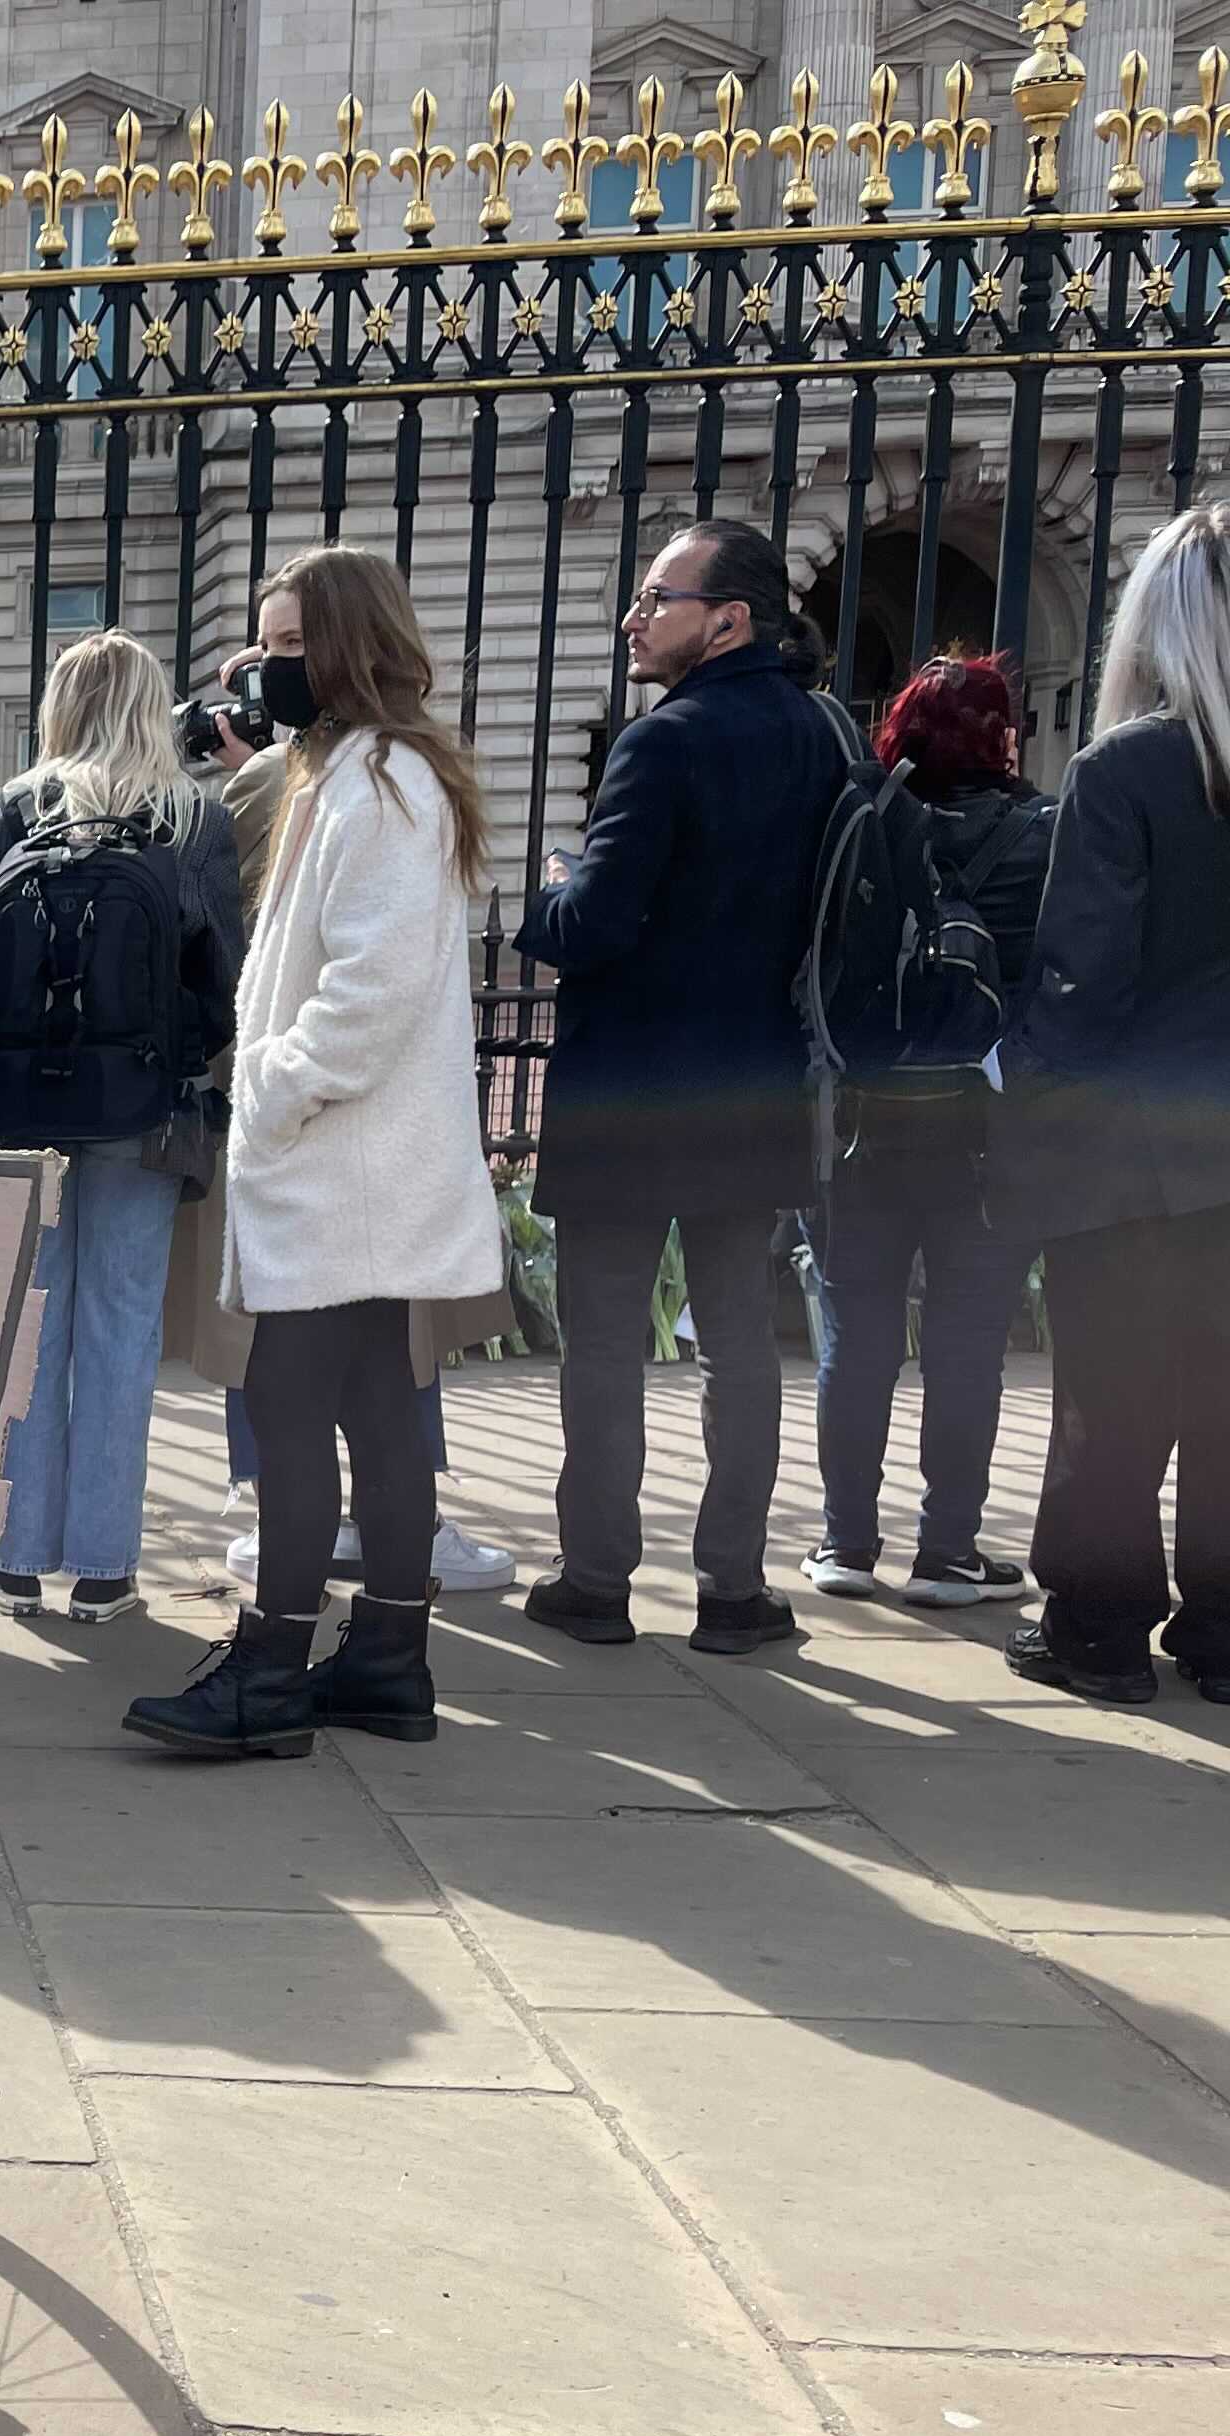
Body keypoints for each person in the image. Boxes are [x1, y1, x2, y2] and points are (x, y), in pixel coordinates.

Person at [129, 547, 506, 1757]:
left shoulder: (382, 785)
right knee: (377, 1411)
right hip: (359, 1166)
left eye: (288, 648)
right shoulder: (352, 773)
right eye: (263, 646)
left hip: (346, 1163)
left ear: (347, 648)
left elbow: (369, 995)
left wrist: (270, 1088)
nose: (266, 670)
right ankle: (388, 1659)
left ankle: (272, 1670)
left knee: (294, 1411)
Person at [513, 518, 849, 1655]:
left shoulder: (662, 744)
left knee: (605, 1343)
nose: (633, 616)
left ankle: (597, 1581)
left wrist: (549, 891)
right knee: (741, 1345)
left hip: (632, 1089)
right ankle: (734, 1590)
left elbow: (596, 927)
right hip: (753, 1079)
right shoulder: (821, 734)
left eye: (658, 597)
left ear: (730, 619)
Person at [0, 629, 243, 1624]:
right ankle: (105, 1570)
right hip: (145, 1111)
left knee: (33, 1325)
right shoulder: (195, 819)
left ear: (56, 707)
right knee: (121, 1324)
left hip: (18, 1113)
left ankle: (16, 1560)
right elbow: (222, 985)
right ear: (153, 707)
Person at [995, 501, 1230, 1706]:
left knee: (1114, 1405)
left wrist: (1024, 1093)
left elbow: (1085, 980)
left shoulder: (1130, 767)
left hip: (1137, 1150)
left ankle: (1096, 1630)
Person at [803, 653, 1052, 1613]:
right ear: (1002, 736)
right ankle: (947, 1550)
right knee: (967, 1346)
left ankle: (844, 1543)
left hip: (862, 1116)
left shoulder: (863, 815)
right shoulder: (1045, 830)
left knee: (854, 1340)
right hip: (984, 1126)